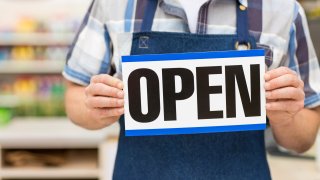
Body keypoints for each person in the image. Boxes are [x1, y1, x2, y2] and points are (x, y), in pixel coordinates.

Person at [63, 0, 320, 179]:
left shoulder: (284, 10)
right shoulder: (113, 3)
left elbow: (304, 137)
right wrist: (93, 107)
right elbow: (74, 95)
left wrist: (286, 116)